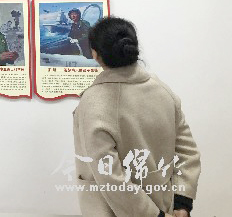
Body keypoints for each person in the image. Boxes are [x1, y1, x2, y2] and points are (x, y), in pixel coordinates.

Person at [74, 17, 200, 217]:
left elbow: (111, 177)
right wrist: (182, 202)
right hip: (165, 205)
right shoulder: (162, 91)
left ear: (95, 54)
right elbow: (187, 151)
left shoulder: (93, 103)